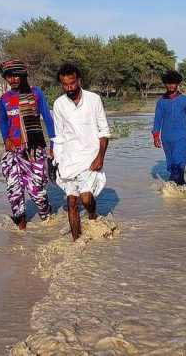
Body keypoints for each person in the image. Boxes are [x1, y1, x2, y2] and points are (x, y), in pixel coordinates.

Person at [52, 63, 110, 241]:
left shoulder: (94, 99)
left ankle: (92, 215)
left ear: (79, 80)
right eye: (64, 84)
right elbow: (59, 135)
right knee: (71, 201)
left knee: (85, 198)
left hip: (90, 157)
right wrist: (56, 160)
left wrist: (100, 156)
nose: (69, 87)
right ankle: (76, 242)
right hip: (69, 159)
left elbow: (104, 131)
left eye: (72, 83)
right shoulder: (59, 104)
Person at [0, 59, 55, 230]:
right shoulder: (5, 98)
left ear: (23, 76)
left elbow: (48, 120)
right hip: (13, 151)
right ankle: (21, 231)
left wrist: (53, 145)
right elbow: (3, 121)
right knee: (14, 191)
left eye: (16, 75)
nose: (12, 79)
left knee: (37, 191)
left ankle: (47, 220)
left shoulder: (36, 94)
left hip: (34, 150)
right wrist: (6, 140)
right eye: (8, 76)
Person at [152, 70, 186, 186]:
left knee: (179, 162)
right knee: (172, 165)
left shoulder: (185, 100)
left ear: (178, 84)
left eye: (174, 83)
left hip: (182, 136)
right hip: (167, 138)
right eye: (168, 83)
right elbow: (157, 121)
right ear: (165, 84)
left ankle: (173, 191)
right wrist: (156, 137)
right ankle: (181, 189)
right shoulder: (161, 102)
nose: (171, 86)